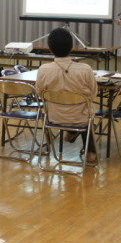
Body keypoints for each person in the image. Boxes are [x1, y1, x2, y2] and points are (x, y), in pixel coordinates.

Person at [35, 27, 98, 163]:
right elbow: (93, 94)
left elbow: (40, 93)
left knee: (83, 112)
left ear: (50, 49)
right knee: (88, 112)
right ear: (71, 47)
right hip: (80, 117)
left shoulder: (43, 69)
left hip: (53, 117)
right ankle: (91, 152)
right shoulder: (85, 69)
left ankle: (71, 134)